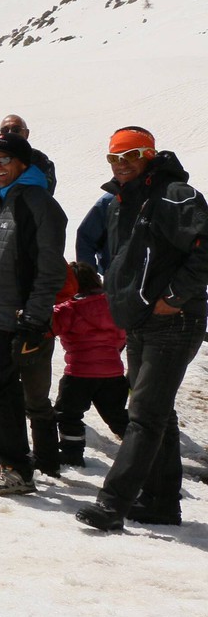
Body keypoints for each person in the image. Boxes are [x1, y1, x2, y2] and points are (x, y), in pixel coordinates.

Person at [76, 127, 208, 532]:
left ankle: (112, 504)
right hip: (139, 318)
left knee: (144, 414)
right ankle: (161, 502)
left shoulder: (176, 196)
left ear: (150, 154)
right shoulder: (122, 201)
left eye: (131, 155)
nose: (122, 164)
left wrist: (174, 296)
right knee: (157, 413)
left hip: (174, 319)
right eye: (114, 158)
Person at [0, 131, 68, 495]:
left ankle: (17, 467)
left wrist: (34, 318)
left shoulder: (38, 204)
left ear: (23, 162)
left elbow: (51, 270)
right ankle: (9, 462)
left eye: (4, 160)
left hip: (14, 318)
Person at [51, 262, 129, 469]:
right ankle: (141, 451)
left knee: (68, 414)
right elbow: (123, 336)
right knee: (118, 416)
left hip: (78, 374)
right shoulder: (115, 305)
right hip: (113, 373)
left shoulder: (68, 309)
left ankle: (71, 453)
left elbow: (50, 328)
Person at [0, 115, 58, 195]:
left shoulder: (40, 162)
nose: (10, 133)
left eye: (16, 130)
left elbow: (45, 193)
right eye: (4, 131)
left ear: (27, 133)